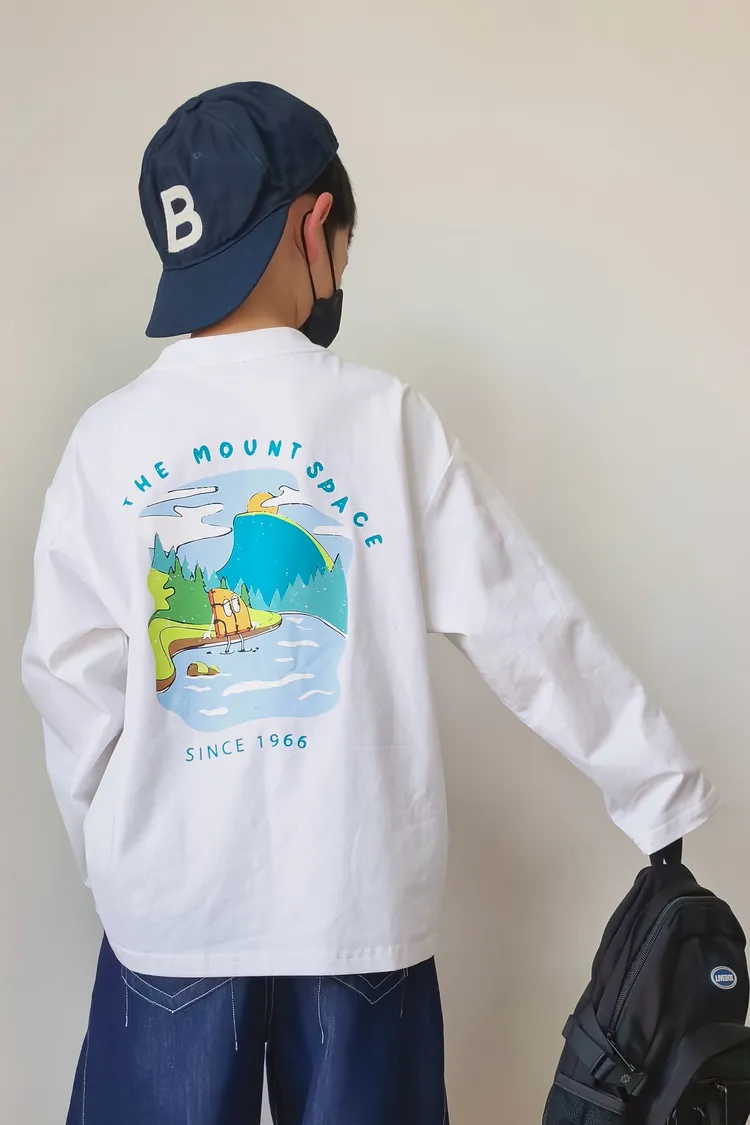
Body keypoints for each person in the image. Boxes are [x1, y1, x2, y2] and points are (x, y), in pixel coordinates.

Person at [22, 82, 719, 1125]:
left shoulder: (106, 440)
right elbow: (526, 621)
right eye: (345, 242)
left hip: (171, 915)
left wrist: (116, 861)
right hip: (358, 905)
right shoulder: (384, 420)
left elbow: (66, 683)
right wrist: (658, 790)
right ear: (315, 223)